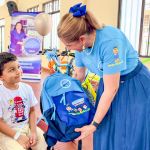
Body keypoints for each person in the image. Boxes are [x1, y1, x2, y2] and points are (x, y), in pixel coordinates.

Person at [57, 3, 150, 150]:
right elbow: (78, 75)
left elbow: (112, 89)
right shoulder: (80, 49)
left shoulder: (109, 42)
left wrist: (93, 124)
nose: (67, 49)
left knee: (129, 131)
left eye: (68, 45)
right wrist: (65, 98)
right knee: (106, 129)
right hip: (108, 84)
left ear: (81, 39)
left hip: (134, 85)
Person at [0, 52, 47, 150]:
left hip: (26, 127)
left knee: (43, 141)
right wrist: (17, 136)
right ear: (1, 76)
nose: (18, 71)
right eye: (12, 69)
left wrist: (33, 131)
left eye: (18, 67)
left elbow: (32, 111)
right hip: (7, 132)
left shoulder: (27, 88)